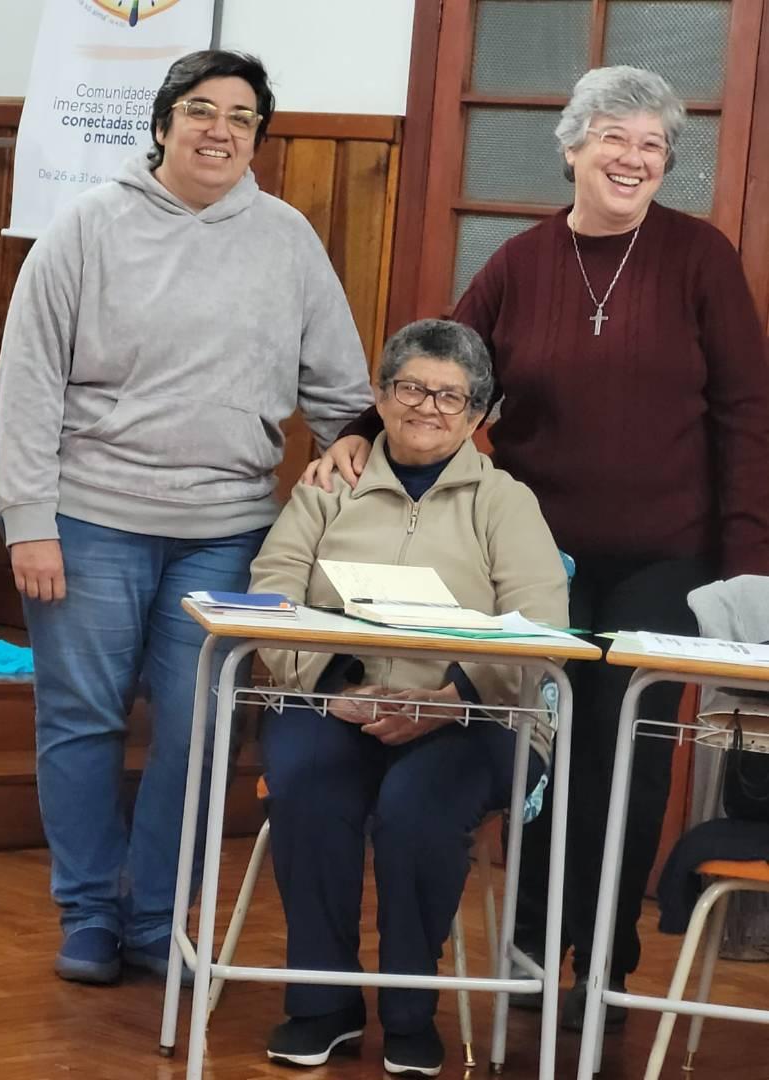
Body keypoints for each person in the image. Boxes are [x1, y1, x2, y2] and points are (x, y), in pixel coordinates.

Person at [303, 66, 769, 1030]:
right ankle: (527, 945)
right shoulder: (521, 262)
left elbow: (747, 413)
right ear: (573, 147)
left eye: (653, 144)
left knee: (622, 755)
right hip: (534, 555)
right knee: (540, 744)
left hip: (667, 560)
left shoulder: (700, 258)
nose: (633, 158)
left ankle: (600, 963)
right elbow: (446, 368)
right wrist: (356, 428)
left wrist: (745, 566)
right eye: (614, 137)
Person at [0, 49, 373, 987]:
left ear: (257, 140)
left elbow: (343, 392)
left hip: (229, 529)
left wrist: (359, 446)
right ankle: (89, 913)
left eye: (242, 118)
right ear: (162, 124)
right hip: (87, 520)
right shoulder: (86, 226)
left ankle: (157, 916)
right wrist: (27, 520)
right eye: (201, 110)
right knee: (81, 719)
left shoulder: (288, 240)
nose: (219, 131)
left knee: (202, 728)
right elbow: (28, 382)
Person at [250, 318, 569, 1076]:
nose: (429, 407)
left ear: (477, 413)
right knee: (306, 785)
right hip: (336, 700)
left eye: (451, 396)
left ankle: (409, 1009)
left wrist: (453, 699)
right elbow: (271, 592)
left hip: (474, 716)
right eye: (412, 388)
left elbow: (542, 629)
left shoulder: (506, 502)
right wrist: (336, 686)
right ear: (381, 395)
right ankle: (322, 1004)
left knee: (418, 808)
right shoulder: (331, 485)